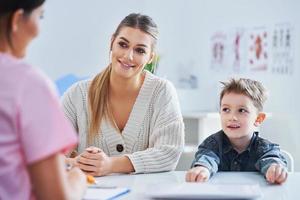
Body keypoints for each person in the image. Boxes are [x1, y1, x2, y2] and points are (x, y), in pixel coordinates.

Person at [63, 13, 184, 176]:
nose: (128, 56)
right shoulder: (77, 95)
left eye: (140, 50)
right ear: (112, 42)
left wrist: (111, 164)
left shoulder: (162, 92)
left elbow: (169, 153)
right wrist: (77, 163)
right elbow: (48, 155)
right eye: (123, 44)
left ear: (150, 58)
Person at [0, 1, 86, 199]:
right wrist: (76, 179)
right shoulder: (28, 84)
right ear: (16, 19)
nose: (38, 31)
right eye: (40, 16)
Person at [186, 78, 288, 184]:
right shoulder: (212, 144)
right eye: (226, 110)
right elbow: (207, 157)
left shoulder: (264, 148)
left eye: (242, 110)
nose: (232, 117)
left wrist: (275, 168)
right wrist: (203, 168)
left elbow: (271, 158)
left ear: (258, 119)